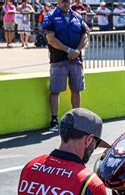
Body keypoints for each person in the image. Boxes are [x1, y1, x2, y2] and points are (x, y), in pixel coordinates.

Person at [43, 0, 89, 131]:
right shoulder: (50, 16)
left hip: (76, 59)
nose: (65, 3)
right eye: (63, 1)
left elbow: (85, 35)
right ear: (58, 2)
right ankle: (54, 120)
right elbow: (50, 38)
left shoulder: (77, 16)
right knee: (55, 90)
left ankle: (77, 119)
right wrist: (68, 50)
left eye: (67, 1)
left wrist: (77, 51)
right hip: (58, 59)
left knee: (76, 89)